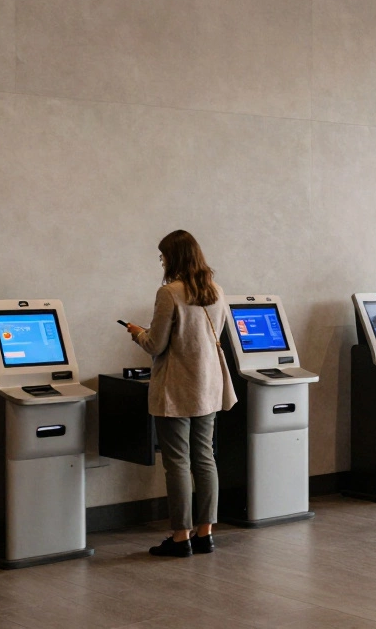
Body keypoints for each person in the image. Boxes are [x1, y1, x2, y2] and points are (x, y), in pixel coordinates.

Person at [128, 230, 230, 557]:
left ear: (173, 257)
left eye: (163, 256)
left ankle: (180, 537)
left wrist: (137, 333)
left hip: (176, 388)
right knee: (205, 458)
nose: (162, 262)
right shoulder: (216, 290)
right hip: (208, 385)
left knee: (177, 463)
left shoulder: (169, 293)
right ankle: (205, 534)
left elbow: (156, 345)